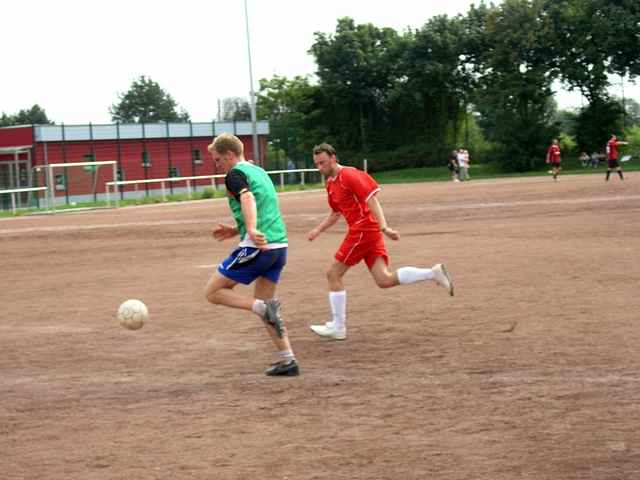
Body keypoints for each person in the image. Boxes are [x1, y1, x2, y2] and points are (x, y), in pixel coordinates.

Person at [307, 143, 454, 340]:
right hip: (367, 231)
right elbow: (336, 213)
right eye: (317, 164)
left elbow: (372, 199)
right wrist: (318, 229)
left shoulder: (349, 175)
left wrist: (384, 227)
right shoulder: (331, 183)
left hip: (363, 229)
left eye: (323, 162)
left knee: (333, 274)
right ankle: (433, 273)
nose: (320, 167)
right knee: (384, 280)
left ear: (334, 158)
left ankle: (338, 327)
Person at [204, 133, 299, 376]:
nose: (217, 165)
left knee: (213, 292)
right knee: (267, 303)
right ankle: (288, 360)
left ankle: (260, 308)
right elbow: (264, 203)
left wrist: (253, 228)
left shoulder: (234, 174)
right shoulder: (260, 172)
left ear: (229, 155)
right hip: (278, 247)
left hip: (258, 247)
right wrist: (238, 228)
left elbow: (247, 198)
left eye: (218, 160)